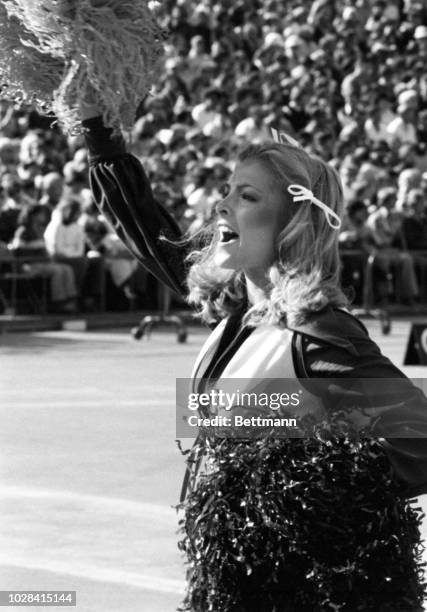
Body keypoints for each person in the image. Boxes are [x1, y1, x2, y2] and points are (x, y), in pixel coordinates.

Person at [80, 100, 427, 610]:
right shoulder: (237, 311)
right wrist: (98, 131)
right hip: (229, 580)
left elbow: (416, 437)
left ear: (291, 225)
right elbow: (153, 233)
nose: (220, 206)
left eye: (245, 196)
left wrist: (288, 484)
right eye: (224, 192)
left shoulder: (317, 334)